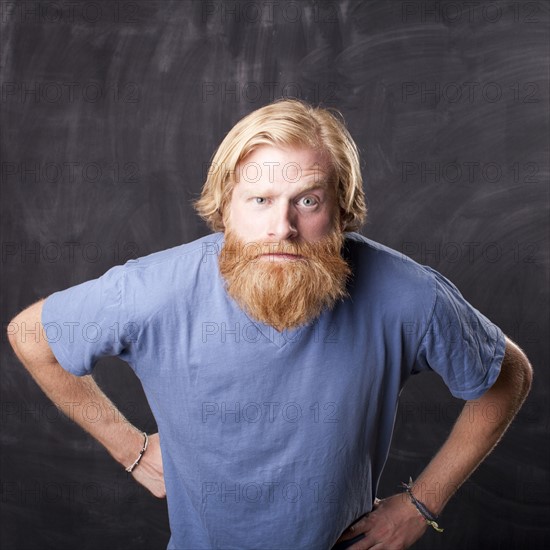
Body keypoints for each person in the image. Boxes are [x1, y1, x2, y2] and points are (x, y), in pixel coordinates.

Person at [8, 99, 532, 550]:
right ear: (226, 208)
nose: (282, 227)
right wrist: (130, 448)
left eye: (307, 201)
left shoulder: (408, 294)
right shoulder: (152, 291)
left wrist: (422, 504)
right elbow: (29, 335)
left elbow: (510, 374)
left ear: (341, 210)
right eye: (259, 200)